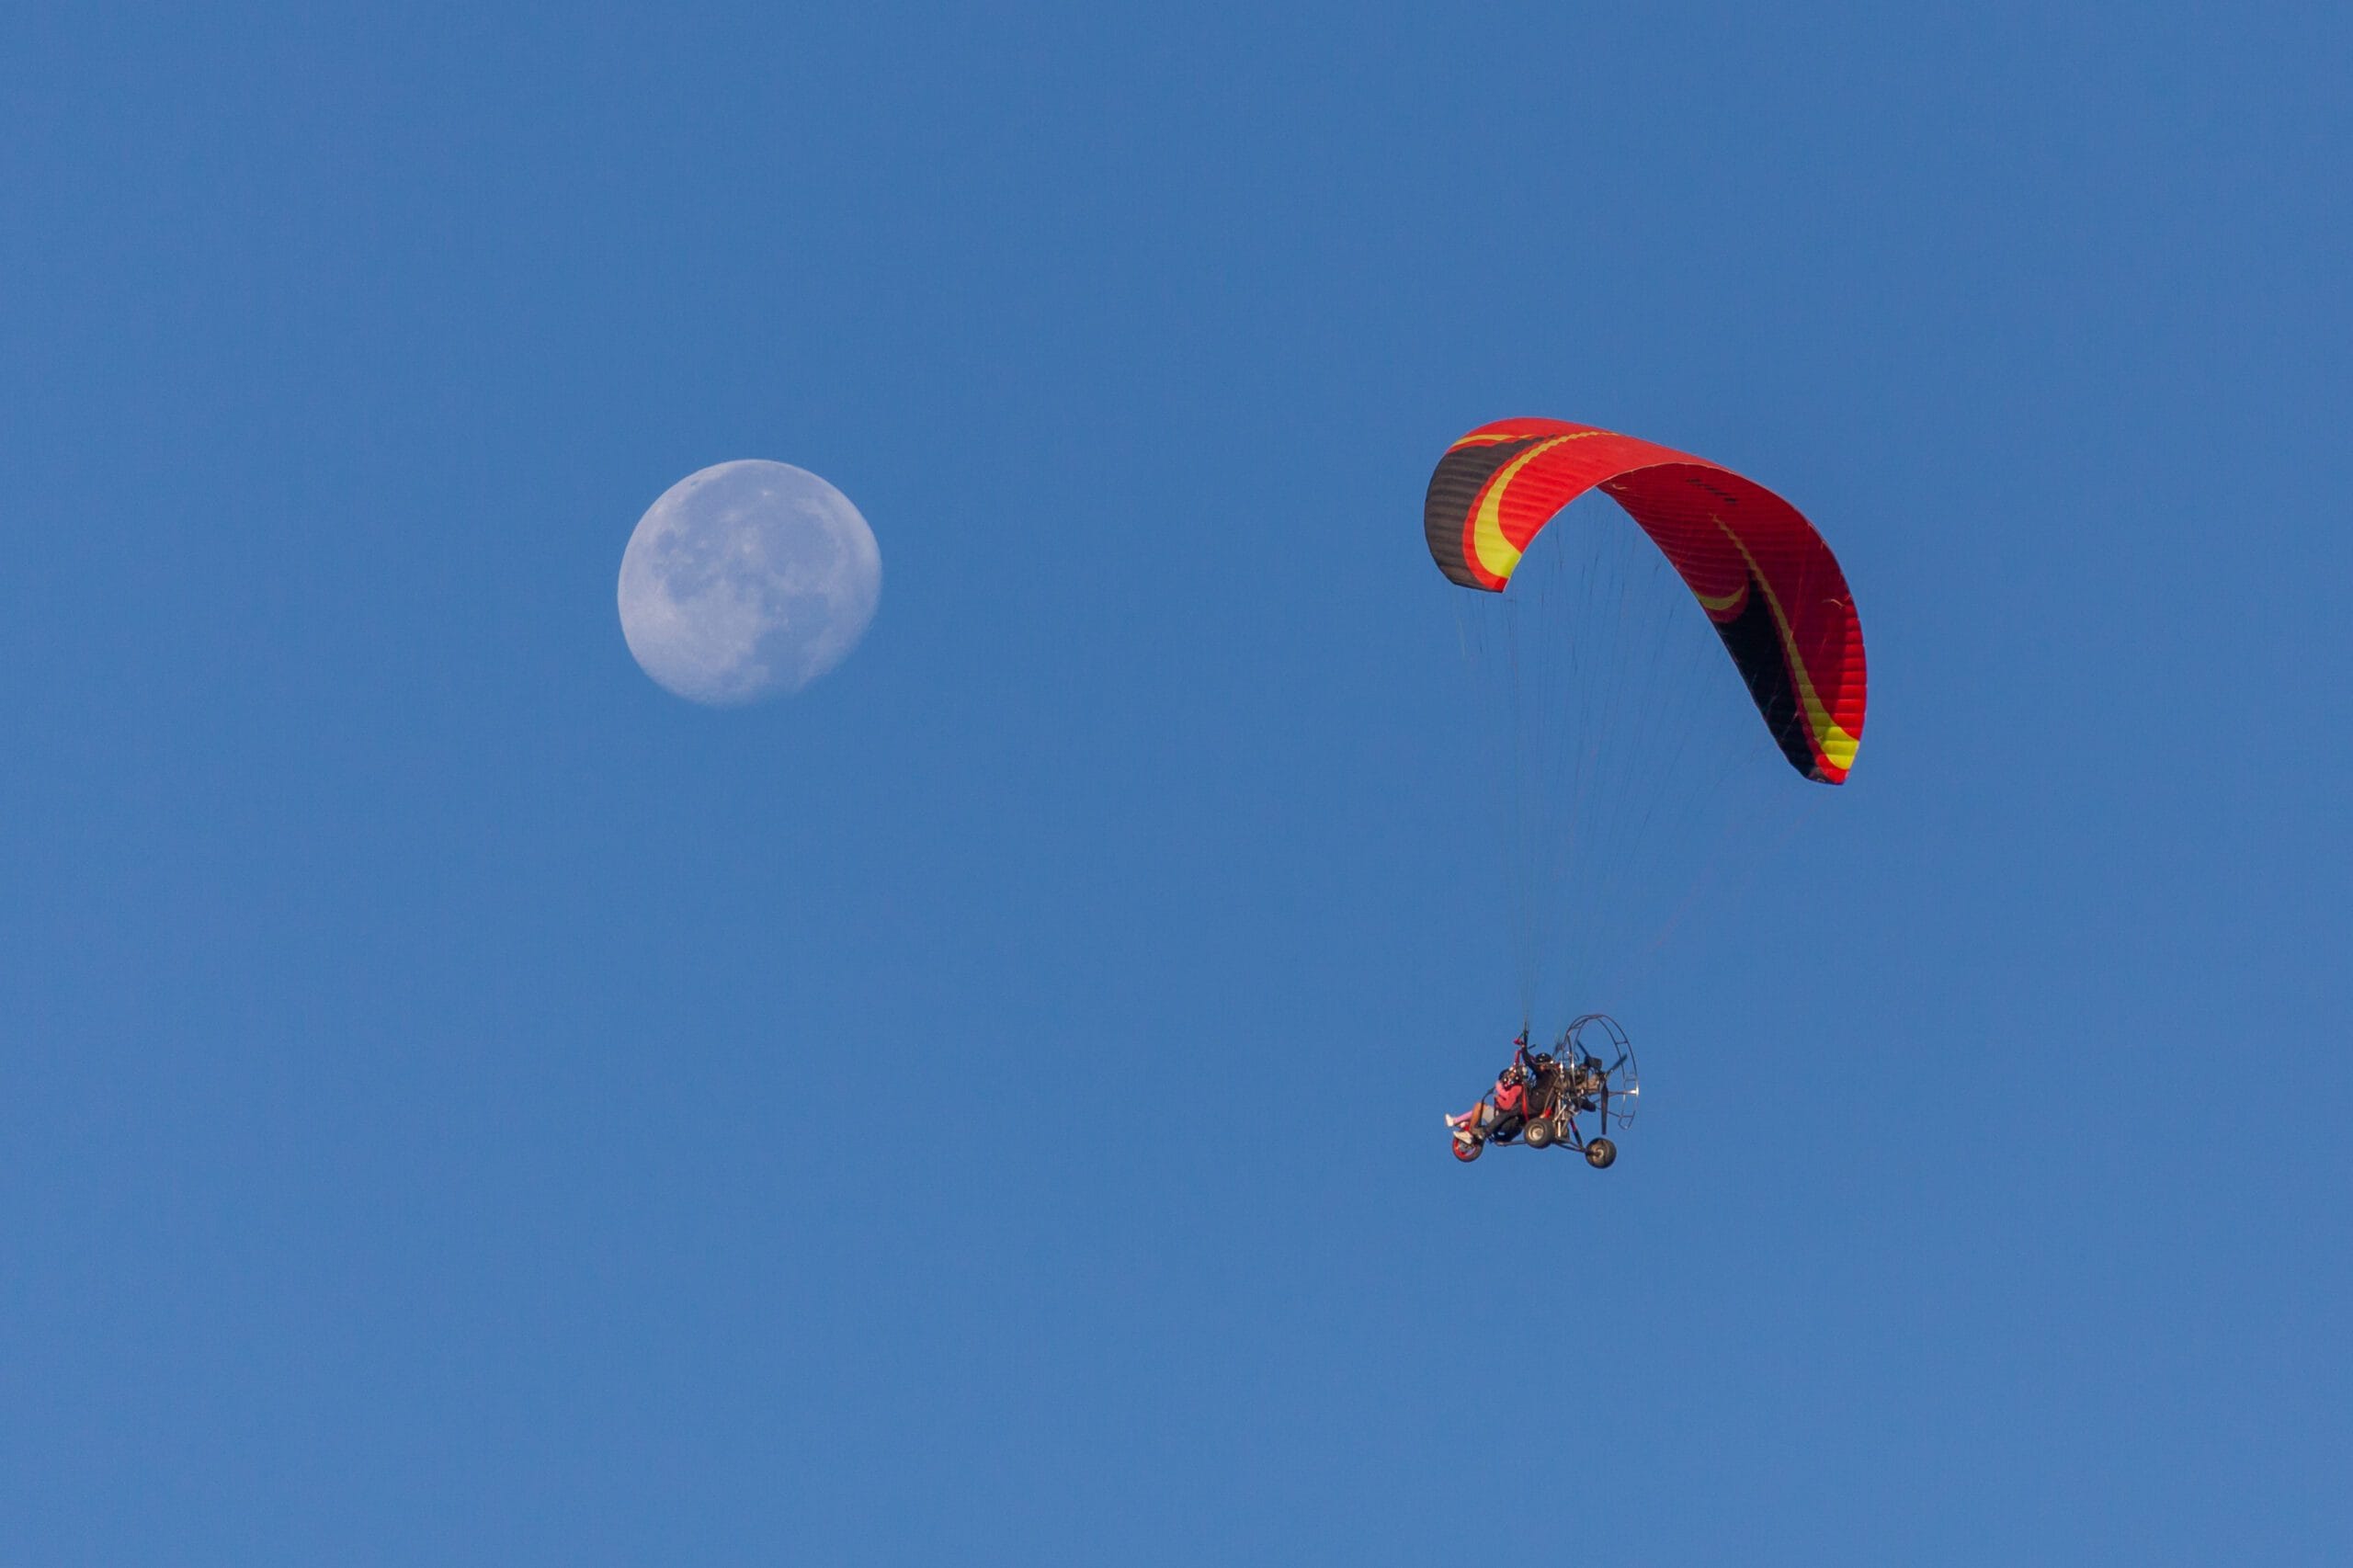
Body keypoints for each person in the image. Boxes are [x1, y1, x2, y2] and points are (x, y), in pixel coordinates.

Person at [1447, 1032, 1533, 1147]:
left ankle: (1469, 1134)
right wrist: (1519, 1052)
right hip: (1511, 1123)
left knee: (1479, 1106)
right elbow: (1516, 1065)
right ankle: (1462, 1123)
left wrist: (1498, 1096)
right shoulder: (1522, 1089)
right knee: (1479, 1111)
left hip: (1506, 1122)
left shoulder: (1517, 1088)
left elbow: (1507, 1106)